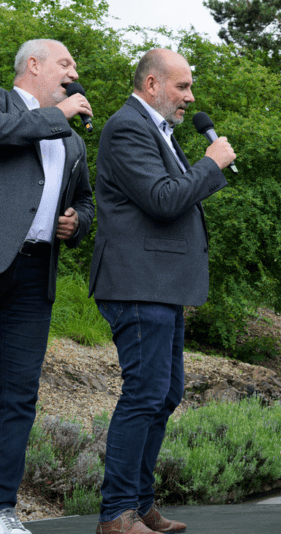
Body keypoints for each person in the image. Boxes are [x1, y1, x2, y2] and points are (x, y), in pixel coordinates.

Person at [89, 48, 236, 534]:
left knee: (165, 392)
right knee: (144, 393)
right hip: (137, 283)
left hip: (160, 286)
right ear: (152, 84)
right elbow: (163, 199)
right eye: (182, 87)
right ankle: (116, 513)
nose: (190, 97)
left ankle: (140, 503)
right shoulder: (128, 126)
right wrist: (210, 164)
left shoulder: (159, 131)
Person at [0, 39, 94, 534]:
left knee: (18, 393)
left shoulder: (72, 140)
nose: (73, 72)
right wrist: (58, 113)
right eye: (65, 63)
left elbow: (86, 201)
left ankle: (2, 508)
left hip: (37, 274)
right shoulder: (5, 103)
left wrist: (76, 223)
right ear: (33, 65)